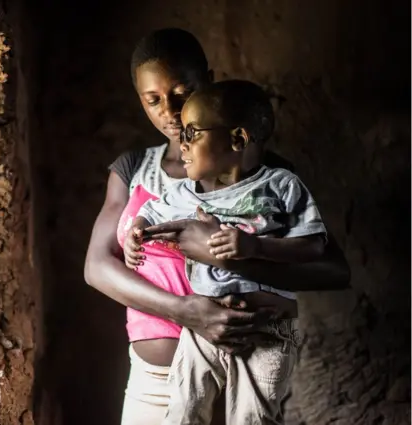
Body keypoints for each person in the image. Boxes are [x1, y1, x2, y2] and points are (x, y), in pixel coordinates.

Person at [83, 28, 350, 425]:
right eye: (152, 99)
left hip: (247, 365)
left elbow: (332, 269)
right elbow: (97, 268)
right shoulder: (133, 170)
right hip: (157, 384)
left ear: (207, 80)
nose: (169, 110)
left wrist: (230, 257)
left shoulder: (263, 174)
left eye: (181, 91)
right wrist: (188, 312)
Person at [131, 80, 325, 424]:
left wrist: (255, 246)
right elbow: (152, 213)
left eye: (192, 133)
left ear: (237, 139)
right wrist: (137, 231)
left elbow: (314, 246)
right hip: (202, 330)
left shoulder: (280, 185)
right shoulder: (185, 192)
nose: (183, 143)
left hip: (267, 329)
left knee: (252, 417)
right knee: (183, 411)